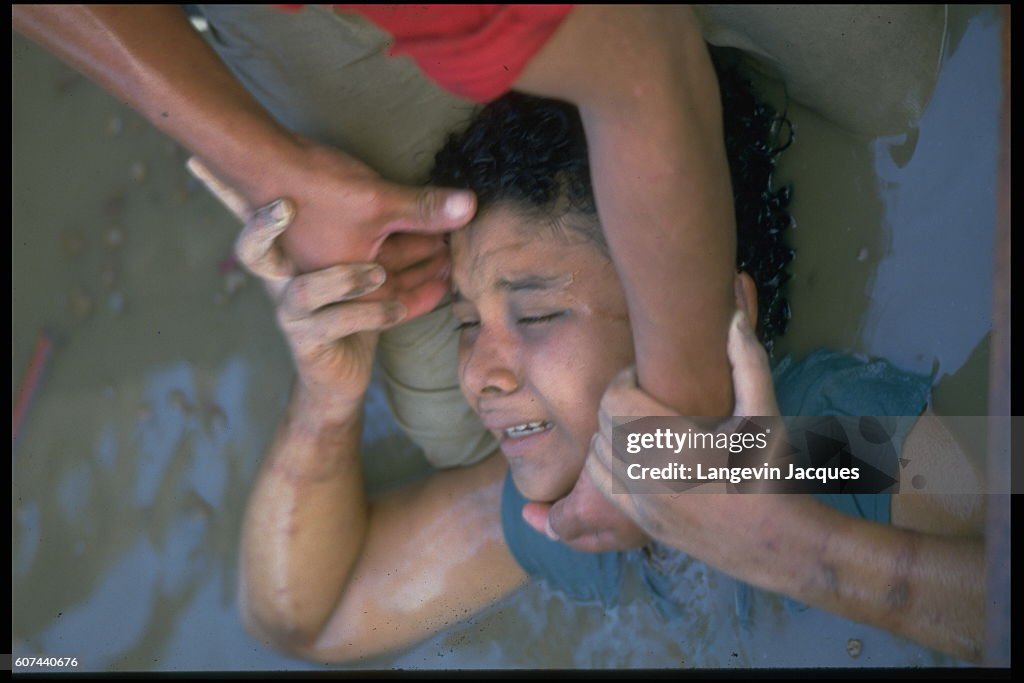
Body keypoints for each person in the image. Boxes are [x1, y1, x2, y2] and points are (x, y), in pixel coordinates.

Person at [235, 83, 984, 662]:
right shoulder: (571, 510)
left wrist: (787, 544)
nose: (479, 374)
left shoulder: (821, 442)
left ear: (703, 309)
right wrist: (327, 400)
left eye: (535, 316)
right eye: (466, 323)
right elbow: (309, 614)